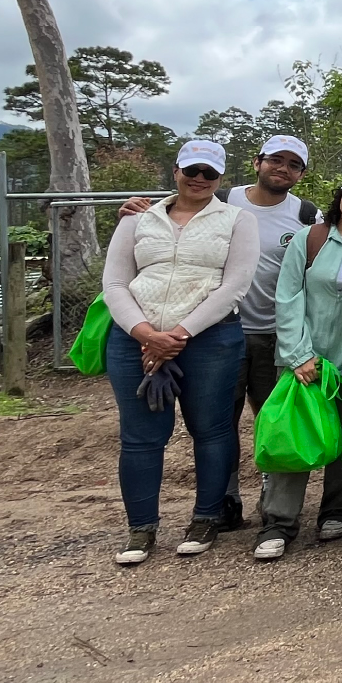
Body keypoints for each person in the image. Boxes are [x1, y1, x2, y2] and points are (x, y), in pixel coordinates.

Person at [116, 135, 317, 531]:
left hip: (276, 334)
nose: (283, 169)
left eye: (294, 164)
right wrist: (135, 211)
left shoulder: (307, 215)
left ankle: (271, 504)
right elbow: (171, 221)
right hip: (215, 333)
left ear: (301, 174)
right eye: (276, 160)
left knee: (270, 421)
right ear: (257, 162)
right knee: (218, 423)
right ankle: (224, 503)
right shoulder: (224, 200)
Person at [101, 140, 258, 565]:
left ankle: (206, 517)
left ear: (220, 179)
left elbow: (234, 285)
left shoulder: (236, 221)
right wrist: (145, 332)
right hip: (135, 336)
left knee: (210, 429)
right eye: (192, 170)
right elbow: (115, 283)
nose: (199, 179)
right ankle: (141, 528)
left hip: (208, 338)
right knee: (140, 436)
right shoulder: (137, 220)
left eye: (209, 173)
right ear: (176, 171)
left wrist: (179, 334)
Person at [255, 168, 342, 560]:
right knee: (294, 438)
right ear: (340, 195)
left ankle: (337, 511)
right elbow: (288, 296)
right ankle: (278, 521)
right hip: (304, 358)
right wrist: (298, 354)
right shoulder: (309, 239)